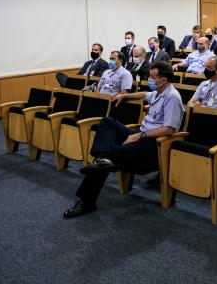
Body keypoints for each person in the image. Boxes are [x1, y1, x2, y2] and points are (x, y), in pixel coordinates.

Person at [63, 61, 185, 218]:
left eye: (153, 77)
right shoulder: (158, 92)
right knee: (108, 122)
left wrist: (139, 135)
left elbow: (170, 129)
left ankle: (87, 201)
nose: (149, 79)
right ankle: (101, 159)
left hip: (153, 144)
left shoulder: (172, 97)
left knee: (110, 154)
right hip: (141, 135)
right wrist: (125, 95)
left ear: (164, 80)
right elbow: (144, 95)